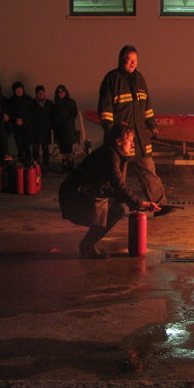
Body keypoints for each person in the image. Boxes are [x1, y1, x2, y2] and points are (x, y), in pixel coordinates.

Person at [59, 123, 160, 259]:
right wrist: (142, 204)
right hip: (74, 197)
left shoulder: (113, 153)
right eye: (130, 141)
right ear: (119, 141)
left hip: (81, 193)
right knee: (115, 212)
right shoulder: (110, 155)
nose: (132, 145)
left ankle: (87, 245)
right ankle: (87, 246)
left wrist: (134, 203)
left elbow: (112, 188)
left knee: (116, 209)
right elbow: (119, 186)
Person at [98, 45, 172, 216]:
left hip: (139, 139)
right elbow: (105, 111)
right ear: (121, 59)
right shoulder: (111, 79)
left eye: (135, 60)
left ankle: (161, 206)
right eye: (129, 60)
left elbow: (147, 106)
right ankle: (115, 208)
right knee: (117, 177)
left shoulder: (140, 79)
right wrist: (112, 136)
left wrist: (152, 125)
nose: (133, 63)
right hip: (121, 140)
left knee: (149, 173)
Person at [53, 84, 78, 172]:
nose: (60, 94)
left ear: (65, 92)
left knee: (69, 149)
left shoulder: (70, 102)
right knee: (62, 150)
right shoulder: (56, 103)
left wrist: (67, 121)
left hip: (68, 129)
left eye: (62, 91)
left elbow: (74, 113)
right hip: (60, 130)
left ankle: (70, 166)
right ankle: (64, 166)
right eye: (58, 92)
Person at [8, 81, 34, 165]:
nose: (18, 91)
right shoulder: (11, 101)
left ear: (23, 89)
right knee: (19, 146)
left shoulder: (28, 99)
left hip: (26, 126)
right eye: (16, 90)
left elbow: (31, 112)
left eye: (20, 89)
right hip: (16, 127)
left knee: (27, 146)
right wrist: (16, 119)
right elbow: (9, 113)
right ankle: (21, 163)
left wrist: (23, 120)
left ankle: (29, 163)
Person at [32, 85, 54, 169]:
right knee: (35, 149)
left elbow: (52, 115)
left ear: (44, 93)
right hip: (35, 129)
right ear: (36, 94)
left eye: (42, 92)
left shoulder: (49, 103)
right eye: (39, 93)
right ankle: (36, 165)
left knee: (45, 149)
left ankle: (46, 165)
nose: (40, 94)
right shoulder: (32, 102)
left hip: (45, 129)